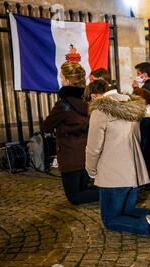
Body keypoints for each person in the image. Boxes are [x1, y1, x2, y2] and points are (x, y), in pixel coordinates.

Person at [85, 80, 150, 240]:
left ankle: (146, 226)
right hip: (134, 171)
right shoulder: (132, 105)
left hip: (112, 174)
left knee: (110, 220)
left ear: (94, 97)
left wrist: (91, 171)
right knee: (127, 211)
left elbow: (93, 149)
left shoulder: (100, 111)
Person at [41, 62, 99, 205]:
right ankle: (112, 191)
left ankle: (113, 193)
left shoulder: (63, 104)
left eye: (61, 77)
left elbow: (46, 126)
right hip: (86, 152)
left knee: (74, 196)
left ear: (67, 80)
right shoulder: (89, 101)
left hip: (69, 155)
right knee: (83, 189)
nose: (60, 80)